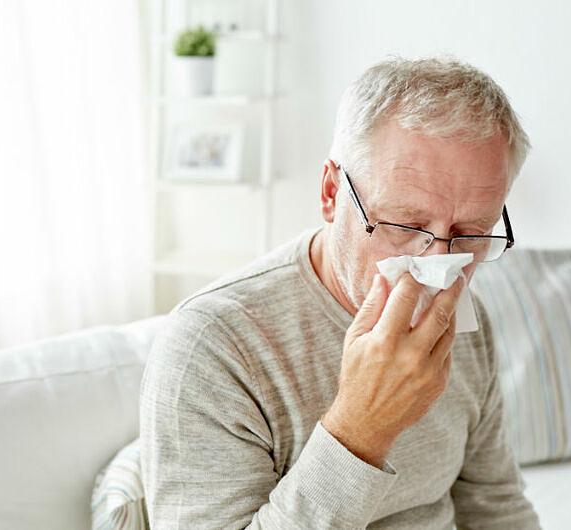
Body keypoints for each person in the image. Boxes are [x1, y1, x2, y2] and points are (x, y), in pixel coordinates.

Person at [139, 56, 542, 529]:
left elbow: (495, 508)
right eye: (405, 225)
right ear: (332, 193)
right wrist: (361, 429)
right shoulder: (213, 347)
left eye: (471, 233)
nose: (438, 266)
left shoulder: (463, 322)